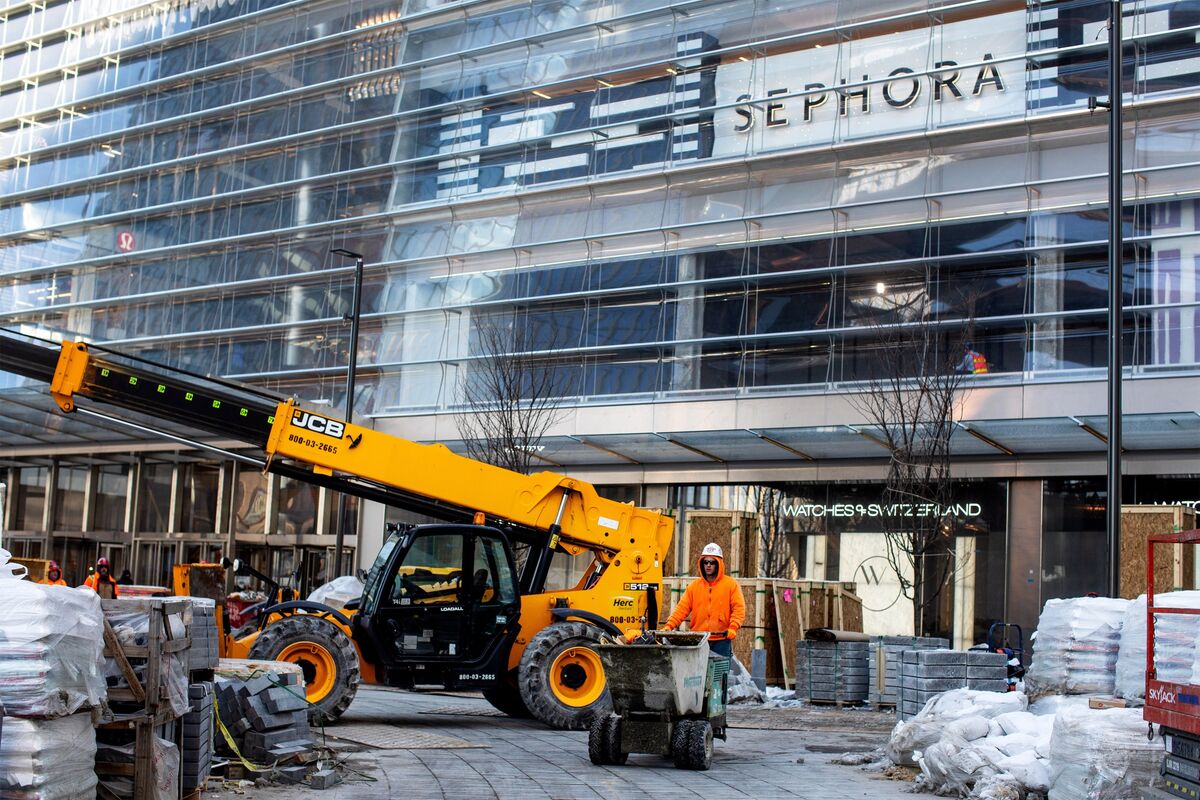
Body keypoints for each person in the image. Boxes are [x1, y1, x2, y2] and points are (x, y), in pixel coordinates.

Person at [662, 542, 745, 659]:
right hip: (699, 640)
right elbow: (681, 609)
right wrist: (669, 626)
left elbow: (739, 609)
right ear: (701, 563)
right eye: (705, 562)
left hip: (721, 640)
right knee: (697, 675)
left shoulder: (731, 585)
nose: (708, 565)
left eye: (712, 562)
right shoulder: (694, 587)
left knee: (719, 674)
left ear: (719, 564)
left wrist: (733, 627)